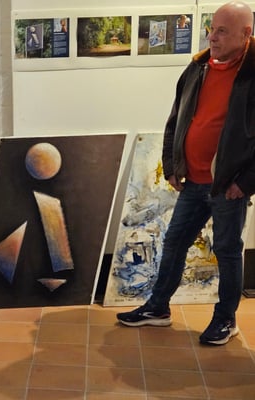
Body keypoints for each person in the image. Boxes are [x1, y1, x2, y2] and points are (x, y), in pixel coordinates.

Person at [117, 1, 255, 346]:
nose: (212, 37)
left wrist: (245, 182)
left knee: (227, 251)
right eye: (211, 29)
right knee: (175, 241)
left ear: (246, 33)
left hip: (228, 186)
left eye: (222, 31)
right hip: (193, 180)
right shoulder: (198, 68)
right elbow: (175, 119)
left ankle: (225, 320)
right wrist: (172, 164)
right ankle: (158, 308)